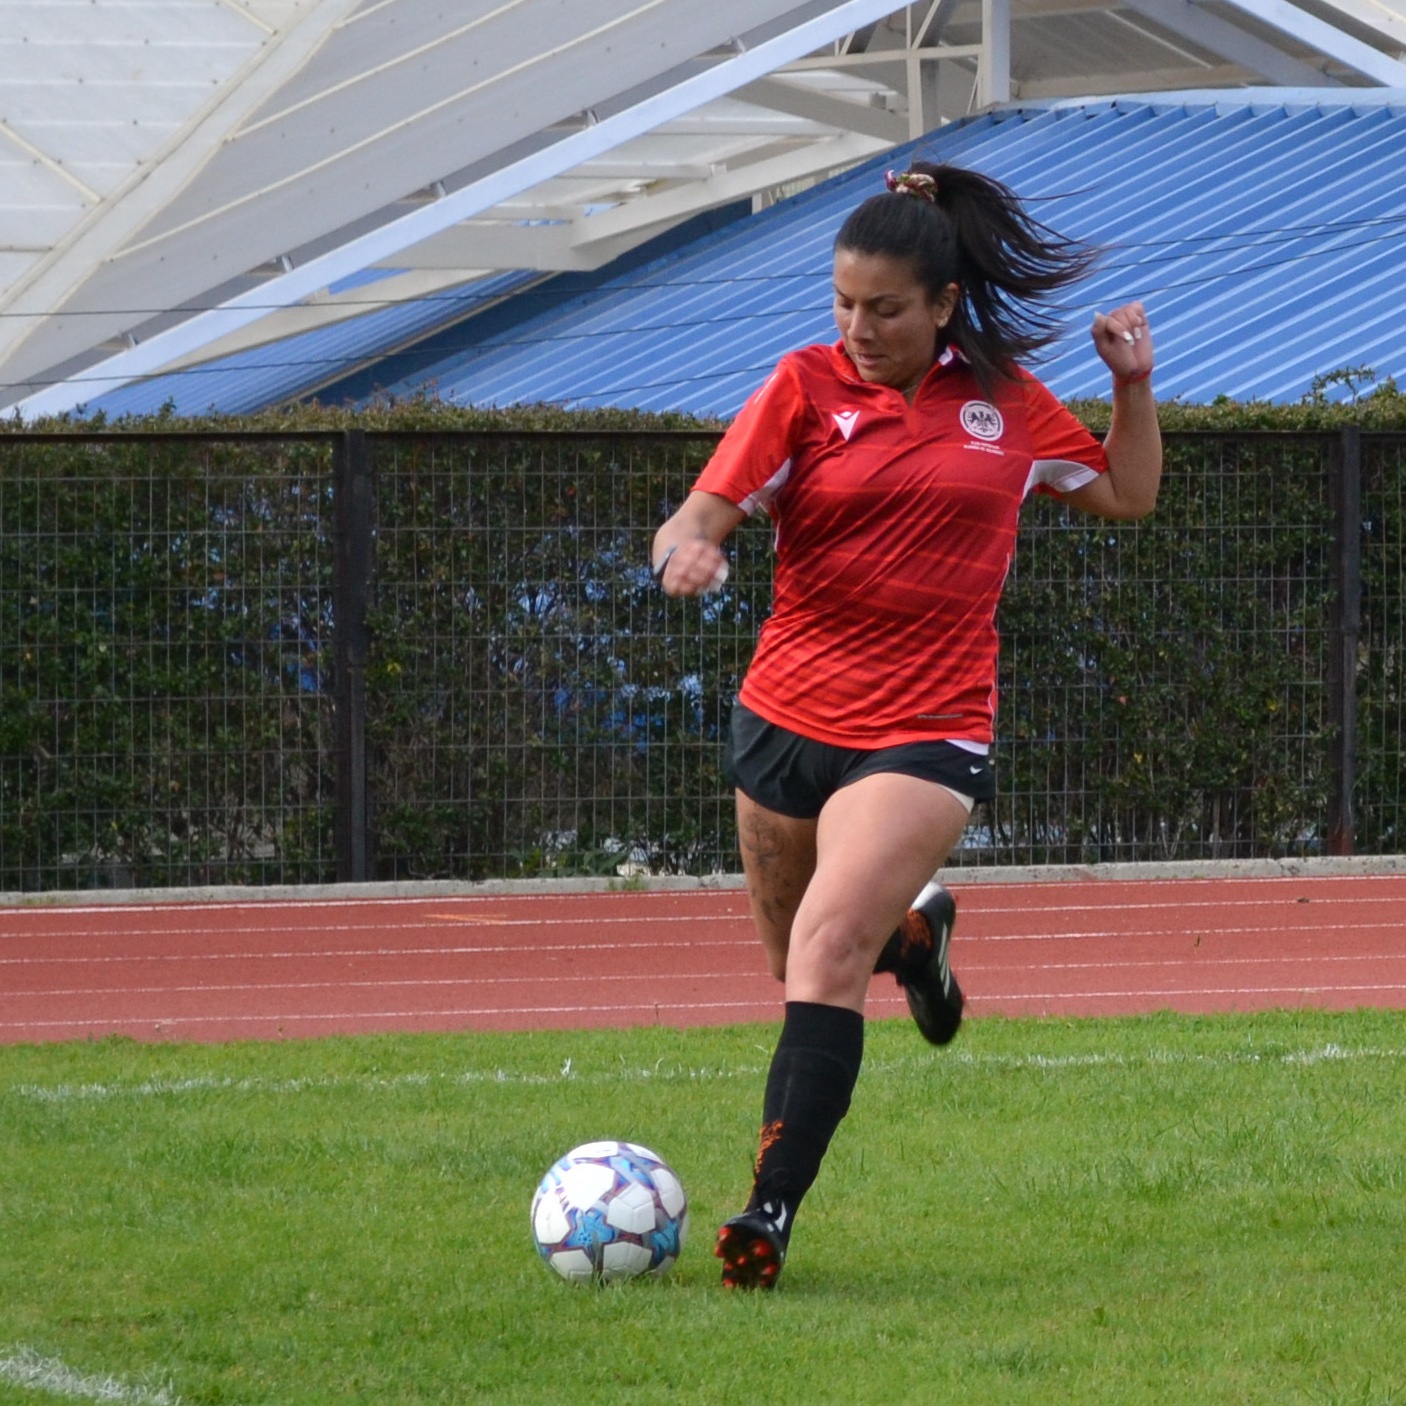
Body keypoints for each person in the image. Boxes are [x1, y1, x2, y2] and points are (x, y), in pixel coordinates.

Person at [650, 160, 1161, 1290]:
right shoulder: (800, 384)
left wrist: (1130, 387)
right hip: (784, 714)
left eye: (883, 308)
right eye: (841, 302)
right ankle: (914, 935)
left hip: (926, 727)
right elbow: (703, 505)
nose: (857, 326)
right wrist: (690, 546)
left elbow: (1125, 495)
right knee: (796, 961)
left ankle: (766, 1215)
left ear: (940, 304)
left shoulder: (1007, 404)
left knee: (825, 951)